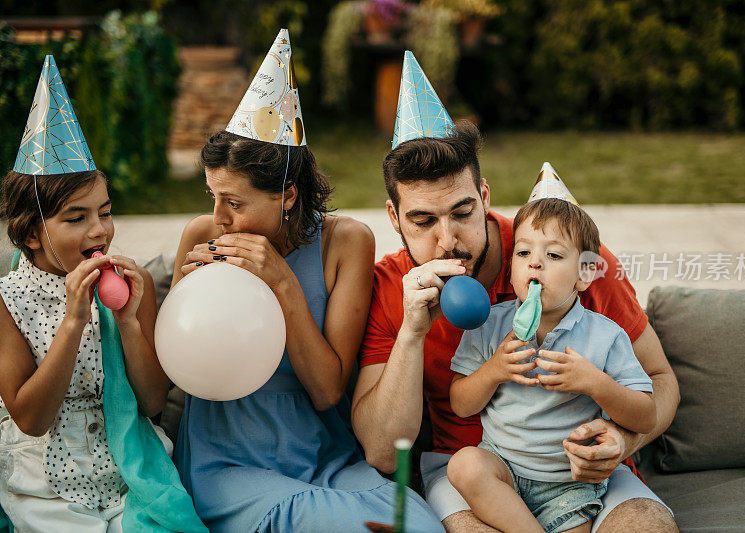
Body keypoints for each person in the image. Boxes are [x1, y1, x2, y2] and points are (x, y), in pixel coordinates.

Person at [352, 51, 679, 533]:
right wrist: (413, 333)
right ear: (394, 217)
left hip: (584, 472)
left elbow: (659, 378)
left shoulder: (578, 262)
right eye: (423, 220)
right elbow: (382, 450)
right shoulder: (389, 288)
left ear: (484, 197)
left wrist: (621, 440)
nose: (448, 240)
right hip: (475, 469)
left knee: (647, 528)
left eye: (462, 212)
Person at [171, 30, 442, 532]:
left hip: (324, 454)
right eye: (213, 196)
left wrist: (283, 284)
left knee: (417, 524)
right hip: (228, 459)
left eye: (234, 202)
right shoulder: (203, 234)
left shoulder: (345, 243)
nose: (219, 218)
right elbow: (183, 362)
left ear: (287, 195)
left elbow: (326, 392)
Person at [0, 56, 198, 533]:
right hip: (45, 485)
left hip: (129, 474)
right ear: (30, 233)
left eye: (104, 212)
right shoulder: (7, 301)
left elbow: (152, 403)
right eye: (76, 218)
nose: (100, 230)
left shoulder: (134, 287)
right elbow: (30, 417)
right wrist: (72, 321)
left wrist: (129, 321)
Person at [447, 197, 656, 532]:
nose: (535, 264)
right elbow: (460, 404)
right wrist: (494, 371)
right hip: (502, 472)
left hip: (570, 484)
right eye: (523, 252)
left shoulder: (605, 337)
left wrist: (595, 383)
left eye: (554, 255)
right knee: (464, 465)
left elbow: (645, 416)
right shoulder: (489, 326)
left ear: (584, 274)